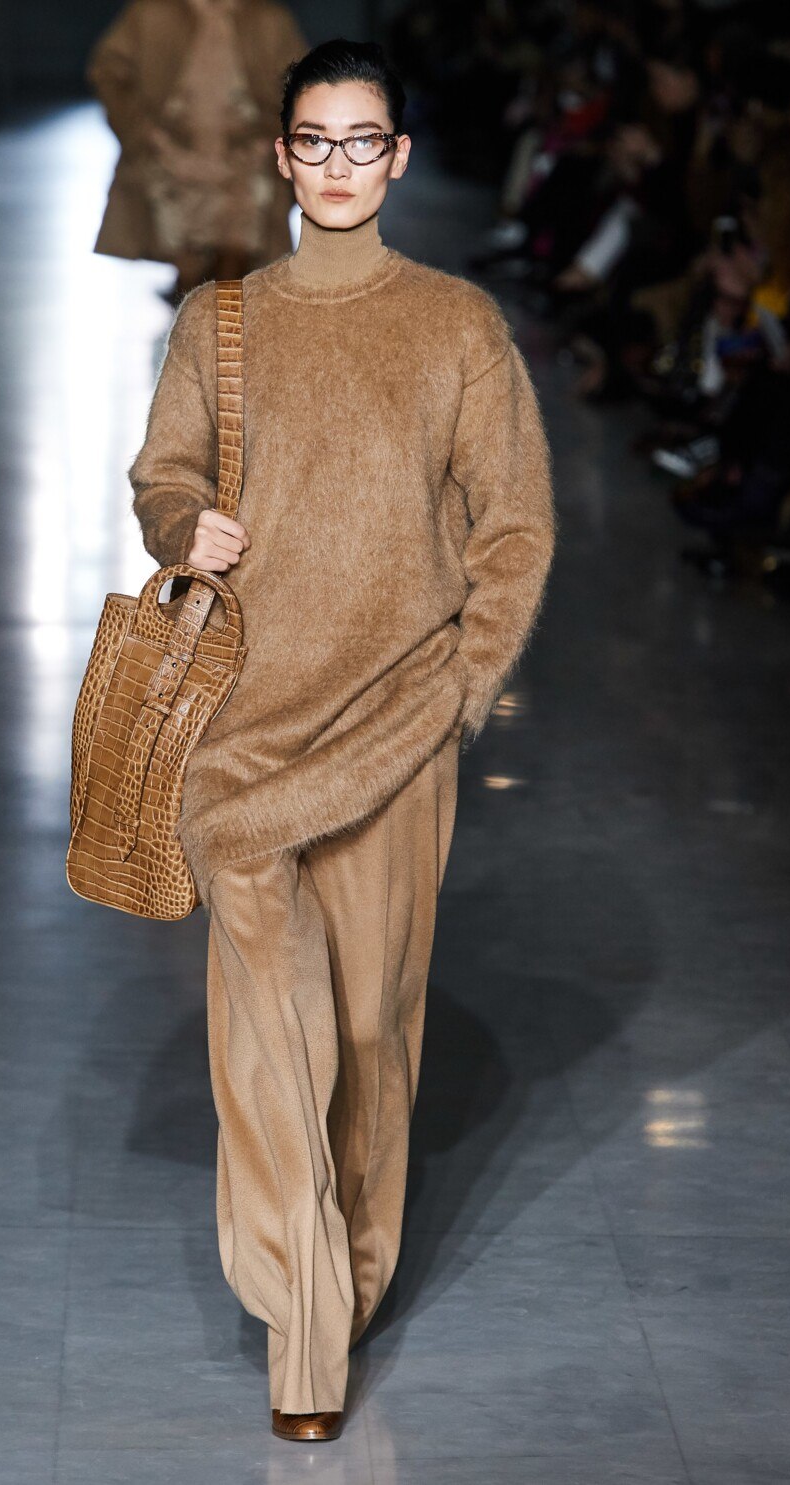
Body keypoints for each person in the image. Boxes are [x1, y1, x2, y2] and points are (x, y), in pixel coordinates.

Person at [128, 37, 557, 1442]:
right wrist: (182, 522)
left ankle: (345, 1280)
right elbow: (164, 468)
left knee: (372, 1036)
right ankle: (301, 1323)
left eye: (361, 141)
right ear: (282, 156)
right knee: (270, 1043)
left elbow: (513, 529)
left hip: (395, 729)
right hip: (243, 734)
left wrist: (462, 690)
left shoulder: (454, 328)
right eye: (312, 141)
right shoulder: (223, 320)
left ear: (399, 158)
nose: (335, 165)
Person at [87, 0, 306, 293]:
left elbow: (304, 82)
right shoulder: (152, 14)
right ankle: (195, 308)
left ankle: (220, 315)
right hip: (170, 156)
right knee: (189, 261)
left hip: (249, 161)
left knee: (235, 261)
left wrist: (276, 136)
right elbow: (109, 70)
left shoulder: (268, 19)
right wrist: (142, 131)